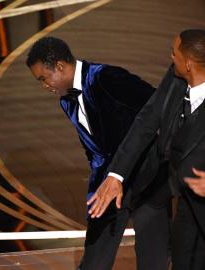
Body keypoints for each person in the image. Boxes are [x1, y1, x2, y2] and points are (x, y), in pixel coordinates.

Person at [88, 29, 205, 269]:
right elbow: (147, 121)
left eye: (174, 53)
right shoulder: (177, 76)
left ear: (188, 64)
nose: (170, 56)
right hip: (174, 187)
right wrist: (117, 174)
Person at [26, 36, 170, 270]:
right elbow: (91, 147)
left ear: (60, 67)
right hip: (106, 185)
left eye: (43, 78)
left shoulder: (106, 78)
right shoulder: (66, 102)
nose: (44, 85)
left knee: (153, 260)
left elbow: (157, 106)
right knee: (94, 261)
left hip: (147, 177)